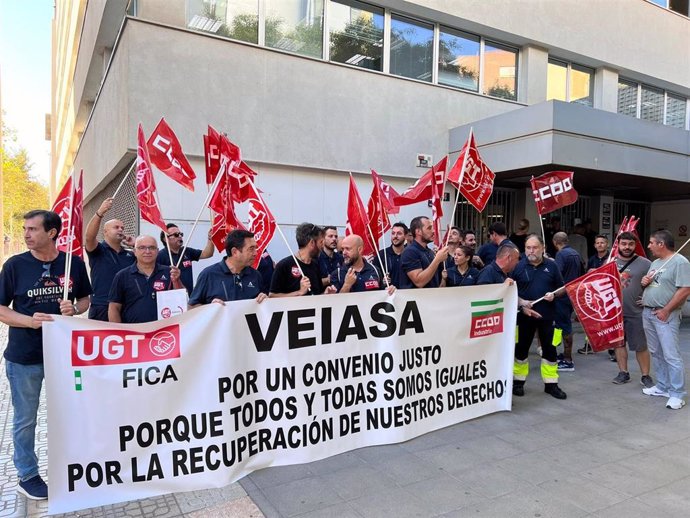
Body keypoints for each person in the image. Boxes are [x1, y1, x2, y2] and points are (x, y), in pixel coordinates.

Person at [0, 210, 92, 500]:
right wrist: (29, 321)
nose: (26, 234)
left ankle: (71, 467)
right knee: (26, 419)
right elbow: (1, 308)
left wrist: (74, 309)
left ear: (52, 233)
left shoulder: (73, 264)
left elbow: (86, 299)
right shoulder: (14, 265)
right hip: (24, 357)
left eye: (32, 229)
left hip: (64, 356)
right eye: (25, 229)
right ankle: (27, 475)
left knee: (69, 412)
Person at [510, 234, 567, 400]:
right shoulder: (518, 266)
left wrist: (554, 295)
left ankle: (551, 385)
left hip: (548, 316)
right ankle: (518, 382)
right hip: (524, 316)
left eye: (535, 247)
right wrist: (521, 302)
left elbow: (562, 289)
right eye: (528, 247)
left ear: (543, 248)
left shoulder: (552, 266)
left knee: (550, 350)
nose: (531, 251)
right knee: (520, 349)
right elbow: (510, 290)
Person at [640, 230, 690, 410]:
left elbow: (685, 289)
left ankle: (677, 393)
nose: (649, 246)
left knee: (671, 355)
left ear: (661, 244)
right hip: (649, 313)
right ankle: (662, 386)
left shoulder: (680, 262)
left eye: (651, 242)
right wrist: (645, 282)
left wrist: (667, 309)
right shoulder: (655, 262)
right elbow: (656, 284)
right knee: (656, 352)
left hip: (665, 315)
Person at [611, 232, 653, 387]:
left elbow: (655, 284)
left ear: (635, 245)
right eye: (624, 244)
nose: (627, 247)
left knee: (640, 346)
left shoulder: (645, 264)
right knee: (619, 344)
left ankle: (645, 376)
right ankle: (623, 373)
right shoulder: (610, 263)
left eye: (630, 244)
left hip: (636, 313)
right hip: (614, 313)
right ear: (618, 245)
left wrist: (648, 298)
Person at [108, 235, 183, 323]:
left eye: (152, 248)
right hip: (133, 333)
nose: (147, 251)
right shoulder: (122, 275)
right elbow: (114, 307)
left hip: (163, 331)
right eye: (142, 248)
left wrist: (176, 281)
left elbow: (181, 300)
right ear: (134, 251)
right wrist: (118, 332)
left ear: (157, 251)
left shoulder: (169, 272)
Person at [84, 197, 135, 321]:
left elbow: (150, 259)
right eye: (116, 227)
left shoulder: (130, 254)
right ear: (105, 231)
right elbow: (89, 238)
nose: (121, 230)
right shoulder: (98, 250)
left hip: (127, 306)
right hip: (102, 307)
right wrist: (99, 213)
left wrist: (136, 244)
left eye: (122, 228)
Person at [189, 229, 267, 306]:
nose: (255, 253)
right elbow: (191, 307)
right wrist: (210, 308)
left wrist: (265, 300)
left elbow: (265, 306)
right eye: (251, 249)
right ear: (234, 252)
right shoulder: (208, 275)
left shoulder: (256, 275)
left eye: (255, 248)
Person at [552, 232, 583, 372]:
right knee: (561, 325)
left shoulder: (561, 255)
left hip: (562, 295)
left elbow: (557, 274)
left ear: (555, 242)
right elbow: (582, 274)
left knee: (564, 326)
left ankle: (568, 359)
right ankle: (564, 354)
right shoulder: (575, 253)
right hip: (571, 294)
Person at [270, 223, 328, 297]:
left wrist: (326, 295)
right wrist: (299, 292)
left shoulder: (315, 265)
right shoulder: (284, 265)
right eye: (321, 242)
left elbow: (316, 295)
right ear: (312, 243)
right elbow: (272, 296)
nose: (323, 246)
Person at [157, 223, 215, 295]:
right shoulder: (160, 256)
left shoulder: (186, 251)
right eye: (176, 235)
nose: (180, 236)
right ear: (165, 239)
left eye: (181, 234)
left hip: (188, 296)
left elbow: (207, 253)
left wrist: (210, 239)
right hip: (170, 298)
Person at [400, 216, 448, 289]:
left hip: (431, 298)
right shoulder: (409, 252)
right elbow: (419, 282)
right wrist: (437, 259)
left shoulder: (430, 252)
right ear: (418, 231)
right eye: (429, 228)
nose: (433, 231)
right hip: (415, 299)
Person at [372, 222, 407, 288]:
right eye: (393, 233)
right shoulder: (381, 255)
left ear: (405, 236)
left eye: (399, 233)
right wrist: (382, 282)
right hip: (387, 295)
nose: (395, 236)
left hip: (407, 295)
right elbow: (373, 277)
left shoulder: (410, 254)